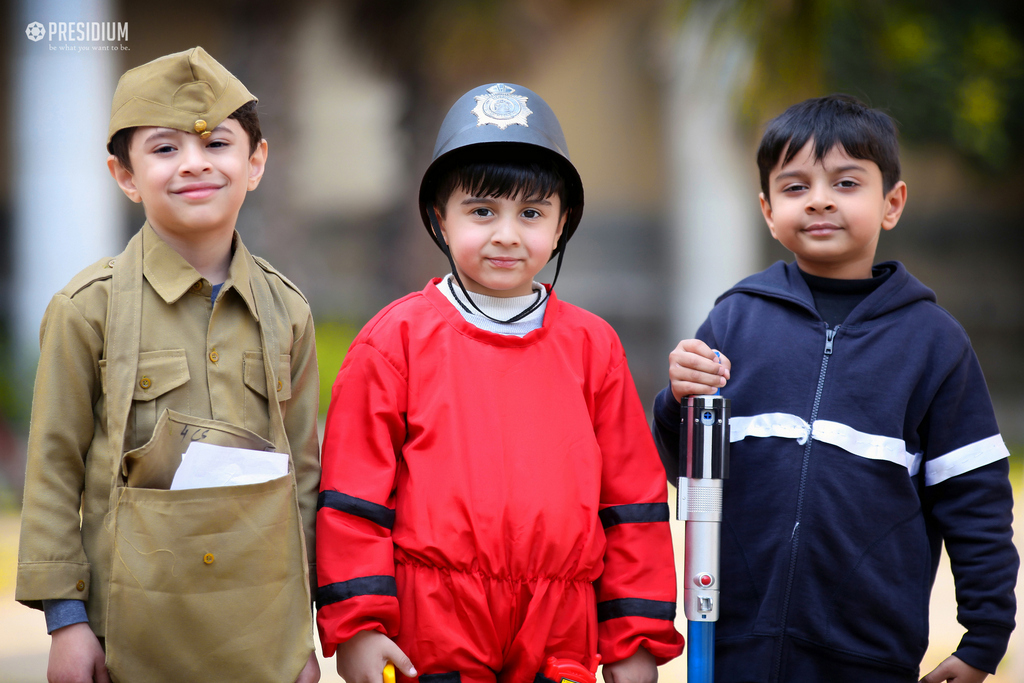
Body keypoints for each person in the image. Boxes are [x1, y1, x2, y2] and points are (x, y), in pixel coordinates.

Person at [316, 83, 685, 683]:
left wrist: (634, 639)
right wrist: (360, 625)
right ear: (441, 217)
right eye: (482, 210)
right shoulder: (395, 341)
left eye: (532, 213)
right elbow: (353, 500)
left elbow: (633, 505)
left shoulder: (594, 349)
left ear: (563, 223)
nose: (507, 234)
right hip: (432, 622)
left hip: (559, 624)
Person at [652, 94, 1017, 683]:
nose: (819, 199)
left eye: (846, 182)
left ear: (892, 203)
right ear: (769, 212)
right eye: (795, 188)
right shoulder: (733, 320)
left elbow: (976, 501)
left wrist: (983, 639)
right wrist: (676, 403)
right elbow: (686, 473)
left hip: (868, 656)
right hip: (731, 644)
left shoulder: (934, 344)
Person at [16, 47, 321, 683]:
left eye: (218, 145)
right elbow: (51, 471)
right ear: (124, 175)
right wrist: (67, 622)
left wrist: (304, 635)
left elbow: (305, 479)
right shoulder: (87, 309)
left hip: (261, 637)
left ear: (255, 162)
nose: (194, 165)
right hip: (127, 638)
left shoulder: (287, 311)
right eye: (164, 149)